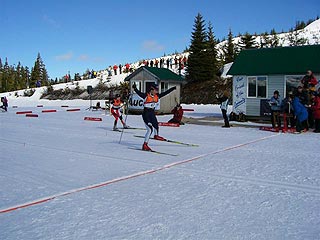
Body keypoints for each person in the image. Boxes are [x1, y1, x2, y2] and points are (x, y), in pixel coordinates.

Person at [133, 83, 176, 151]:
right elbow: (139, 93)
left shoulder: (157, 96)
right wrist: (135, 88)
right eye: (156, 90)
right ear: (151, 90)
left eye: (157, 90)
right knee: (150, 129)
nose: (157, 91)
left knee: (156, 125)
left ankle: (156, 136)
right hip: (146, 114)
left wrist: (172, 89)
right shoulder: (146, 96)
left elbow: (165, 93)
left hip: (152, 113)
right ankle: (145, 145)